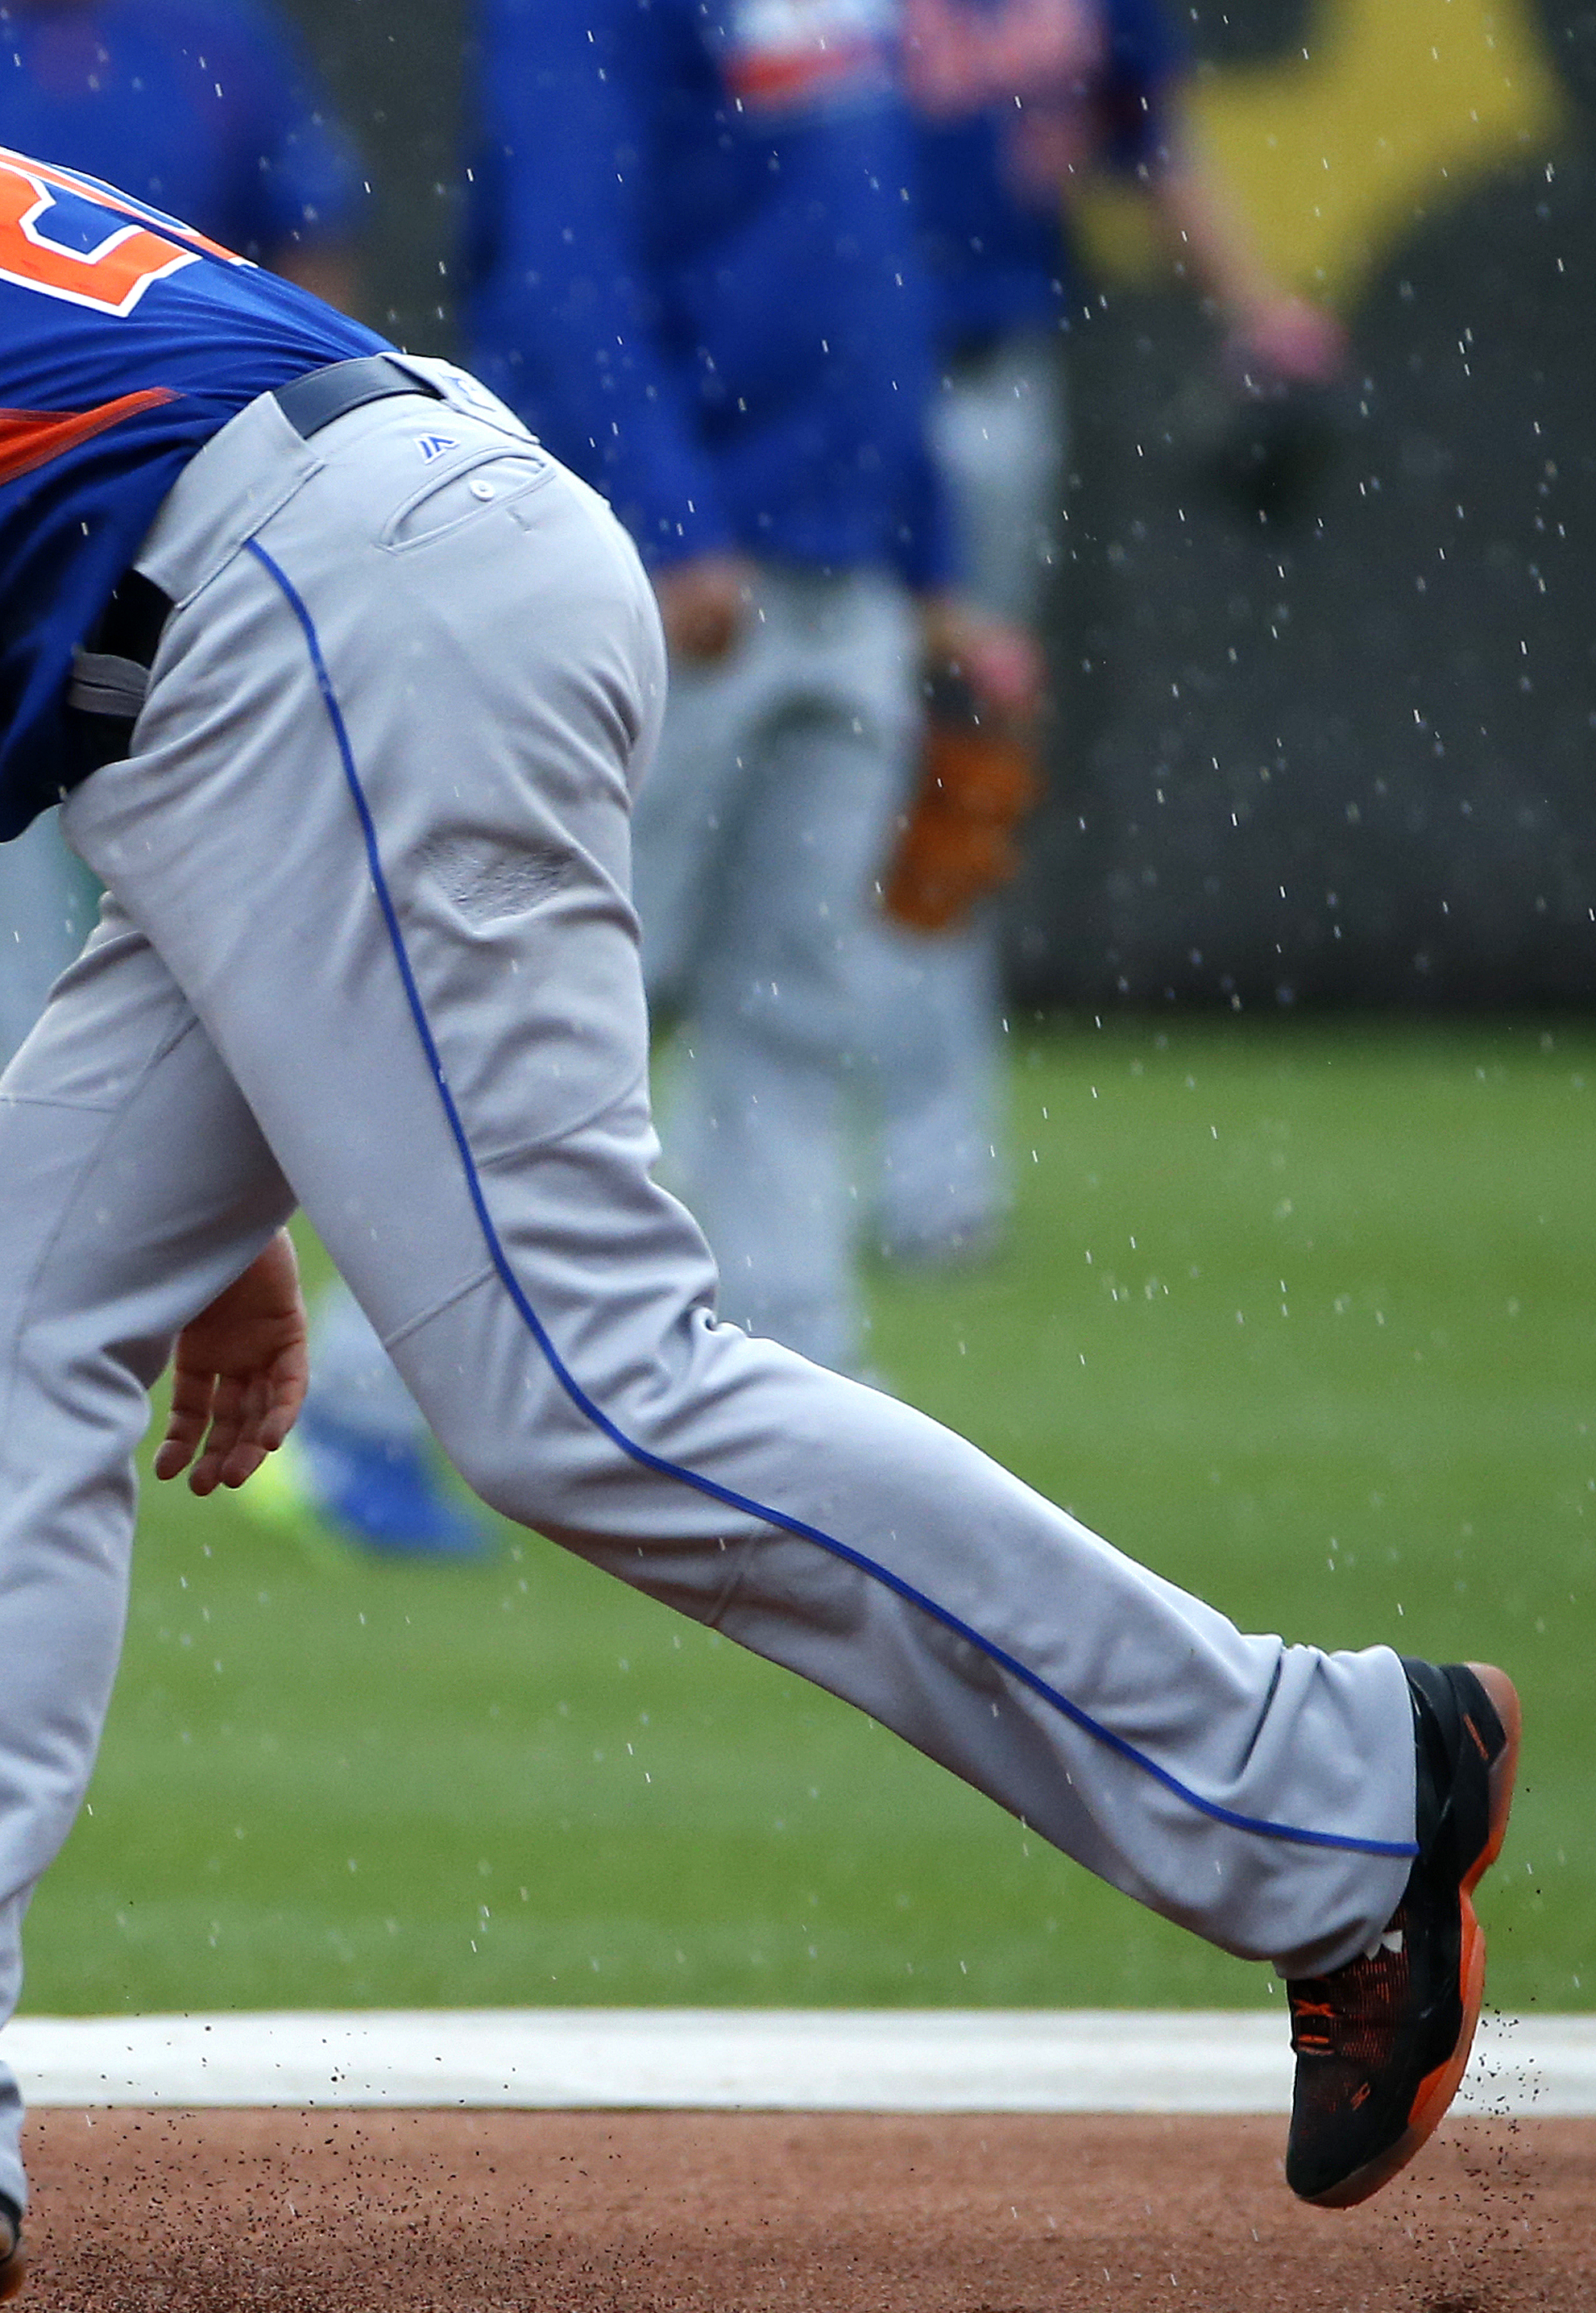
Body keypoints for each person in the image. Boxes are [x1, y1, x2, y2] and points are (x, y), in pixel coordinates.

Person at [0, 139, 1517, 2313]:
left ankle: (1324, 1785)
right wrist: (220, 1195)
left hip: (335, 625)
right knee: (18, 1317)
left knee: (574, 1390)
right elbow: (92, 581)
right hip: (308, 626)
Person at [263, 0, 1048, 1556]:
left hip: (836, 570)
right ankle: (354, 1399)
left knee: (795, 1010)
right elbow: (561, 259)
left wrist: (929, 561)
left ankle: (809, 1415)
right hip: (668, 576)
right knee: (557, 1005)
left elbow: (873, 270)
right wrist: (664, 516)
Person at [884, 0, 1351, 1255]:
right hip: (811, 397)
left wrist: (1261, 311)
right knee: (780, 763)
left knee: (947, 771)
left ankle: (930, 1178)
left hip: (985, 385)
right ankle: (743, 1155)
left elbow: (1151, 139)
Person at [0, 0, 369, 1087]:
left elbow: (310, 236)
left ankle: (239, 1093)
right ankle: (33, 1117)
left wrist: (314, 453)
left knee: (222, 807)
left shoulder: (215, 32)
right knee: (5, 833)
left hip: (198, 479)